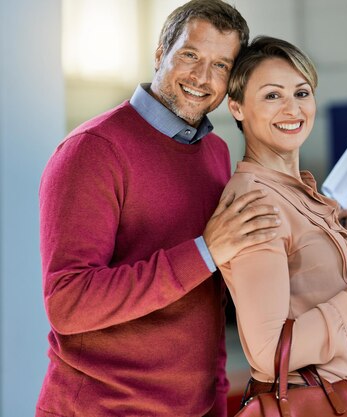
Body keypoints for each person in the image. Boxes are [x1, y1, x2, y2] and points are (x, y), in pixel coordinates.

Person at [36, 1, 282, 416]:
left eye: (221, 65)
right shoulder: (93, 150)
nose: (203, 78)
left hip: (196, 405)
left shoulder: (215, 152)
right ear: (159, 53)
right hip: (102, 408)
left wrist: (215, 398)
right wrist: (204, 252)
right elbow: (68, 303)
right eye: (190, 55)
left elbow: (207, 302)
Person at [219, 36, 347, 399]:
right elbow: (272, 351)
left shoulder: (296, 190)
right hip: (310, 399)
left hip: (341, 395)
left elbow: (341, 277)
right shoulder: (258, 204)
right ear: (237, 107)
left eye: (302, 93)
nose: (292, 109)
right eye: (272, 95)